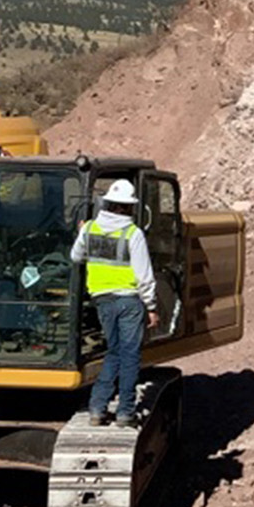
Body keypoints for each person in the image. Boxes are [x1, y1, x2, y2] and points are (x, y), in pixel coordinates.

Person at [70, 179, 158, 427]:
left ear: (107, 203)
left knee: (114, 351)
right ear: (129, 207)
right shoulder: (133, 233)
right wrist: (151, 307)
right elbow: (144, 275)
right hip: (129, 301)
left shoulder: (89, 229)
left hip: (102, 301)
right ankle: (125, 412)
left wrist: (81, 234)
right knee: (129, 355)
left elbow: (76, 256)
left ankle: (97, 408)